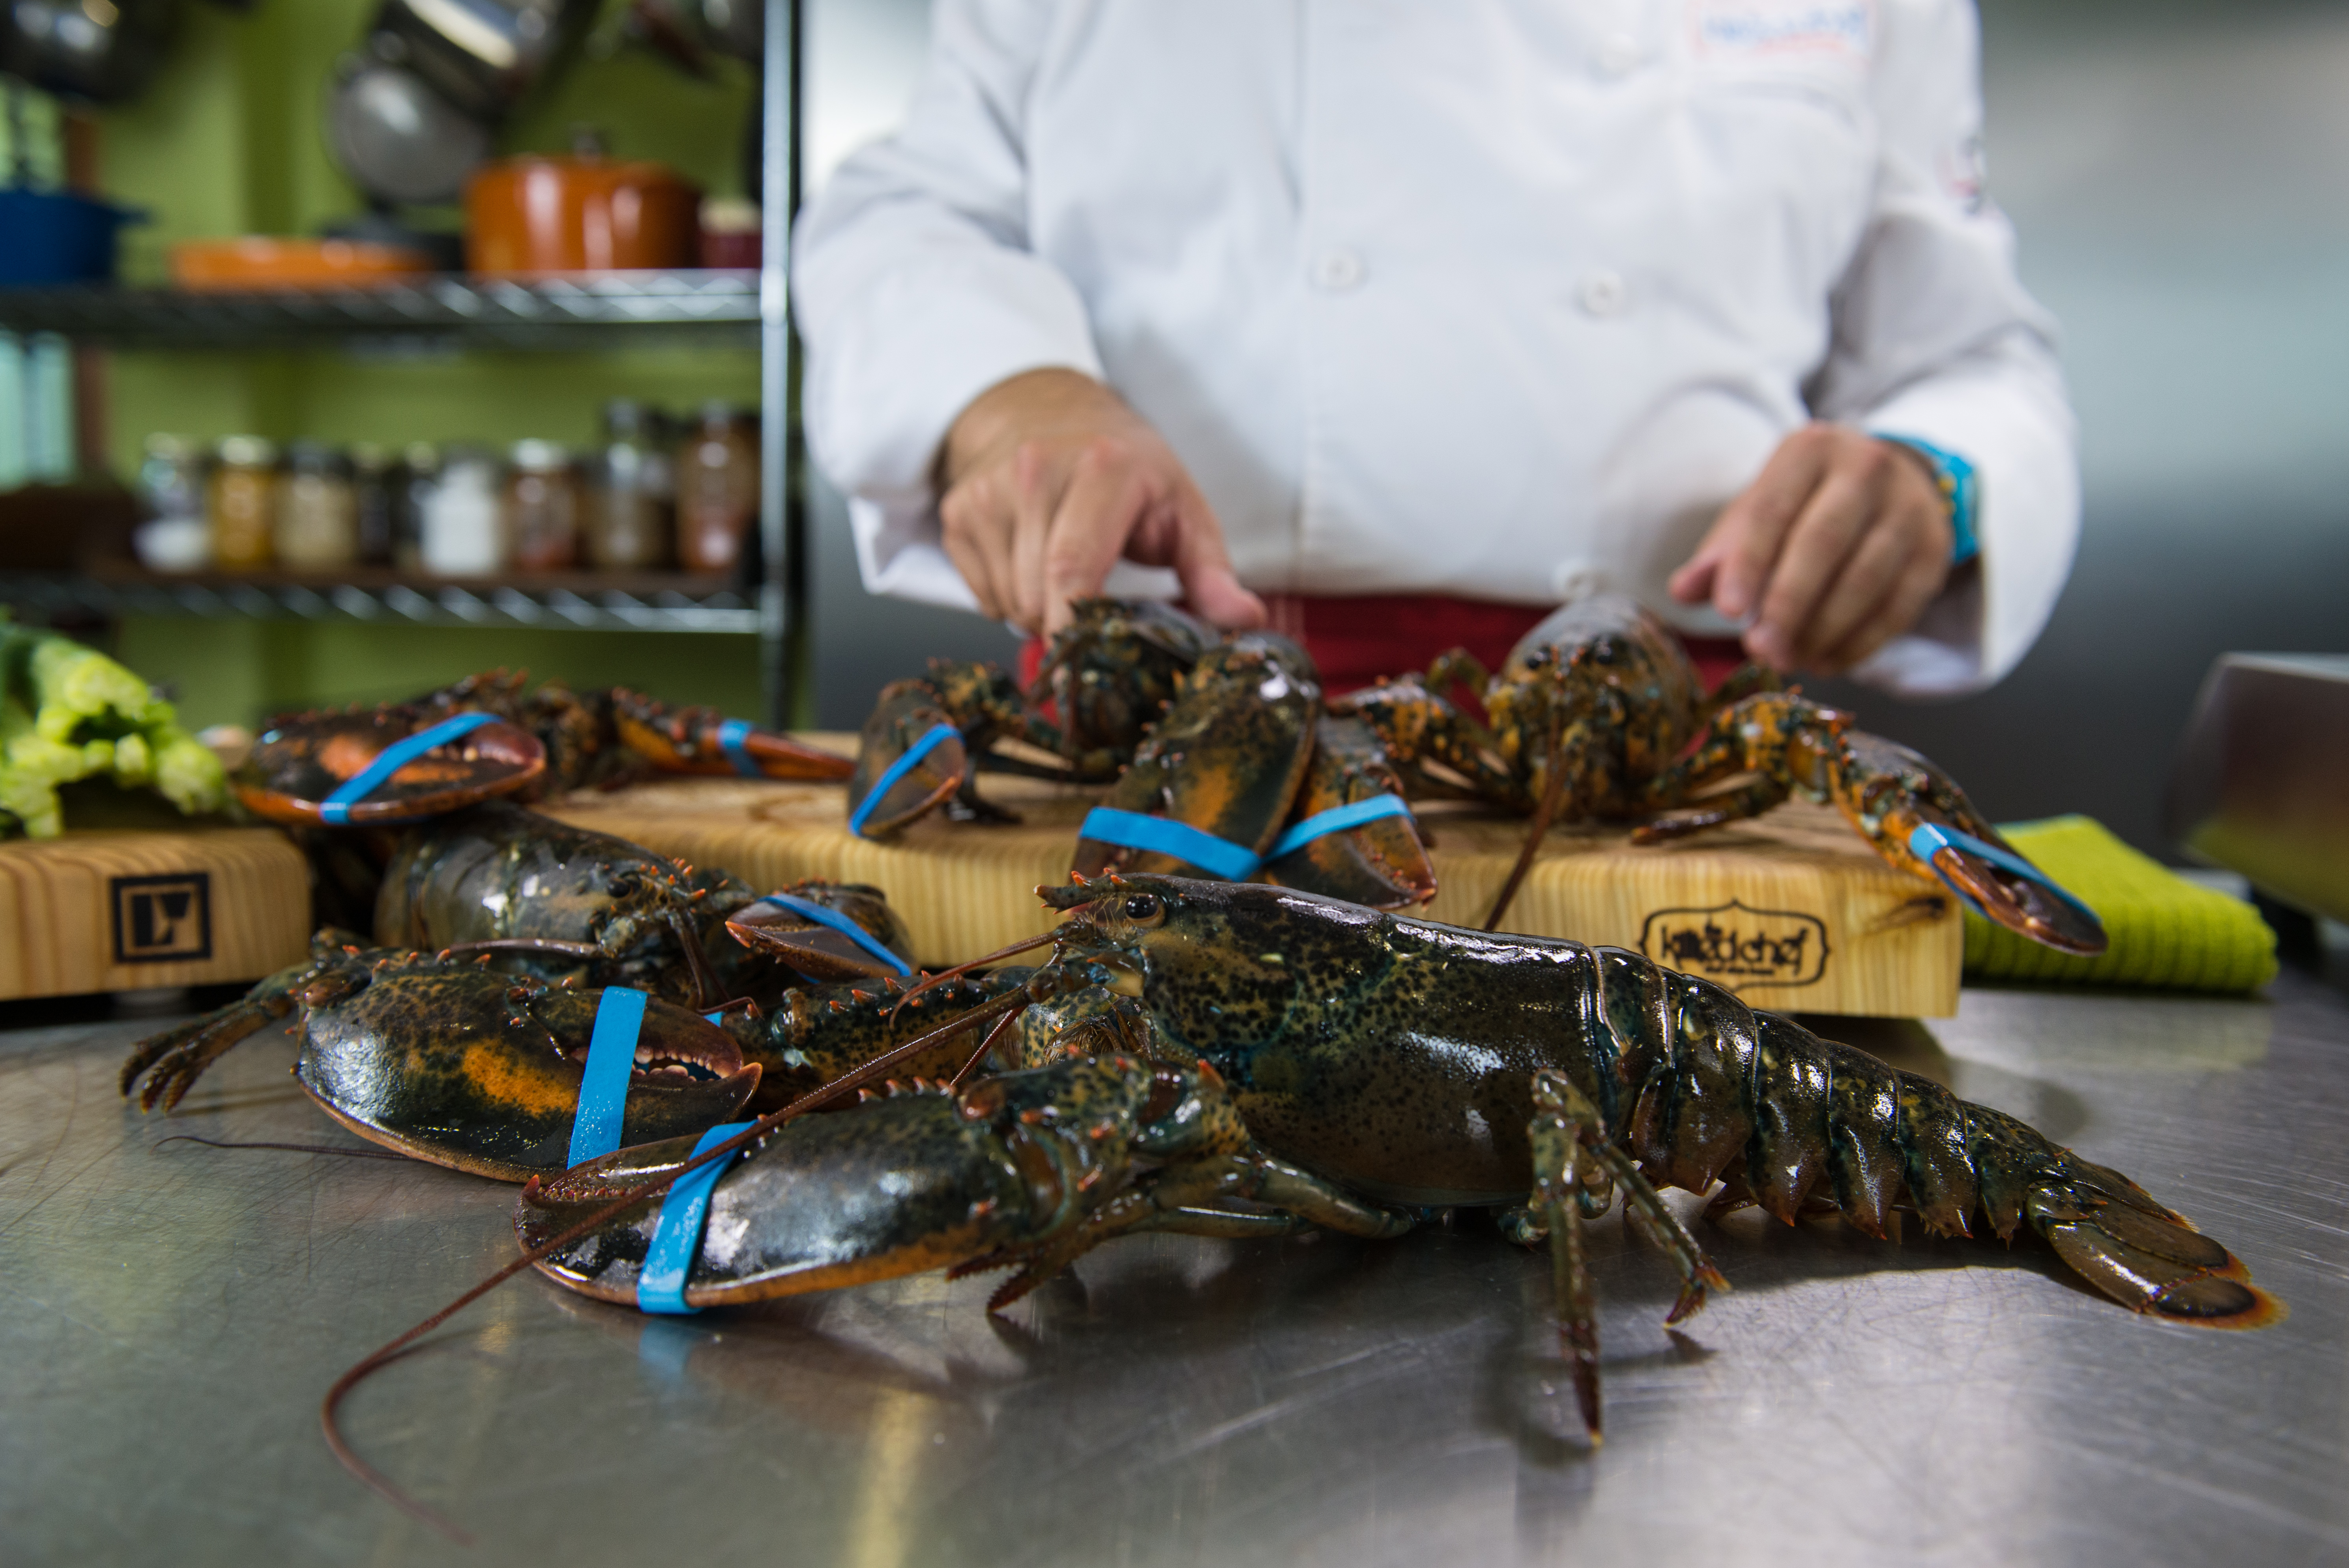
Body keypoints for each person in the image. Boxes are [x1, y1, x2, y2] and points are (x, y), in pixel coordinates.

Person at [794, 0, 2077, 697]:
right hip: (1167, 739)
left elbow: (1967, 352)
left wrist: (1932, 478)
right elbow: (912, 210)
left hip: (1669, 766)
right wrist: (1011, 399)